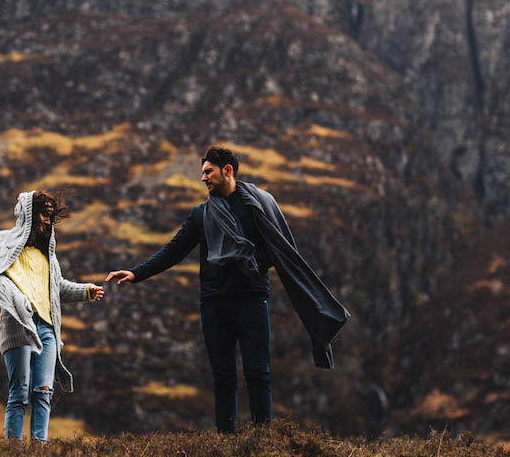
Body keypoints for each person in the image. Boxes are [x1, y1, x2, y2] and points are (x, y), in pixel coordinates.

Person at [107, 146, 349, 433]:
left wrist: (254, 265)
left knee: (258, 374)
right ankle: (226, 444)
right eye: (202, 173)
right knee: (223, 378)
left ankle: (262, 441)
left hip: (251, 300)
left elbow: (282, 249)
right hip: (214, 304)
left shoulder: (259, 205)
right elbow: (173, 251)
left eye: (208, 171)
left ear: (227, 171)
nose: (203, 178)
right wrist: (136, 273)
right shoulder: (201, 215)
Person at [0, 190, 104, 442]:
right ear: (28, 213)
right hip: (17, 326)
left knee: (44, 391)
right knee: (20, 392)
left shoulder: (47, 256)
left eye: (51, 216)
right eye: (44, 214)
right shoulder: (0, 242)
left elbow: (58, 288)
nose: (48, 221)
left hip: (47, 328)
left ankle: (38, 449)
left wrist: (86, 291)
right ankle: (12, 450)